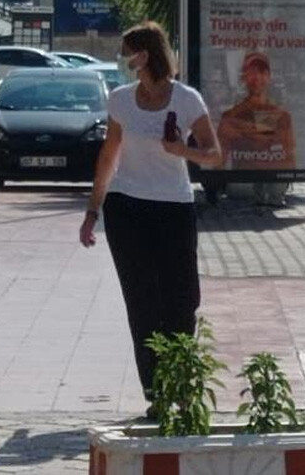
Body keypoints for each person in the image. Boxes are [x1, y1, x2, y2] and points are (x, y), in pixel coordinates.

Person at [78, 21, 223, 411]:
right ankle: (157, 394)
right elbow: (109, 155)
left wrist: (183, 152)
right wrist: (93, 209)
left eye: (129, 52)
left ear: (147, 54)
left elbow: (214, 154)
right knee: (141, 302)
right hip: (127, 209)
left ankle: (184, 385)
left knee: (181, 299)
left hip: (174, 208)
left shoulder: (186, 99)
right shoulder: (121, 100)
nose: (124, 59)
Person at [217, 52, 297, 172]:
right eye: (252, 72)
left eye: (262, 72)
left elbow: (290, 161)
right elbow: (219, 161)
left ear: (269, 76)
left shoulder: (282, 117)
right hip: (241, 184)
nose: (257, 77)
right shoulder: (231, 116)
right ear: (244, 77)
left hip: (274, 185)